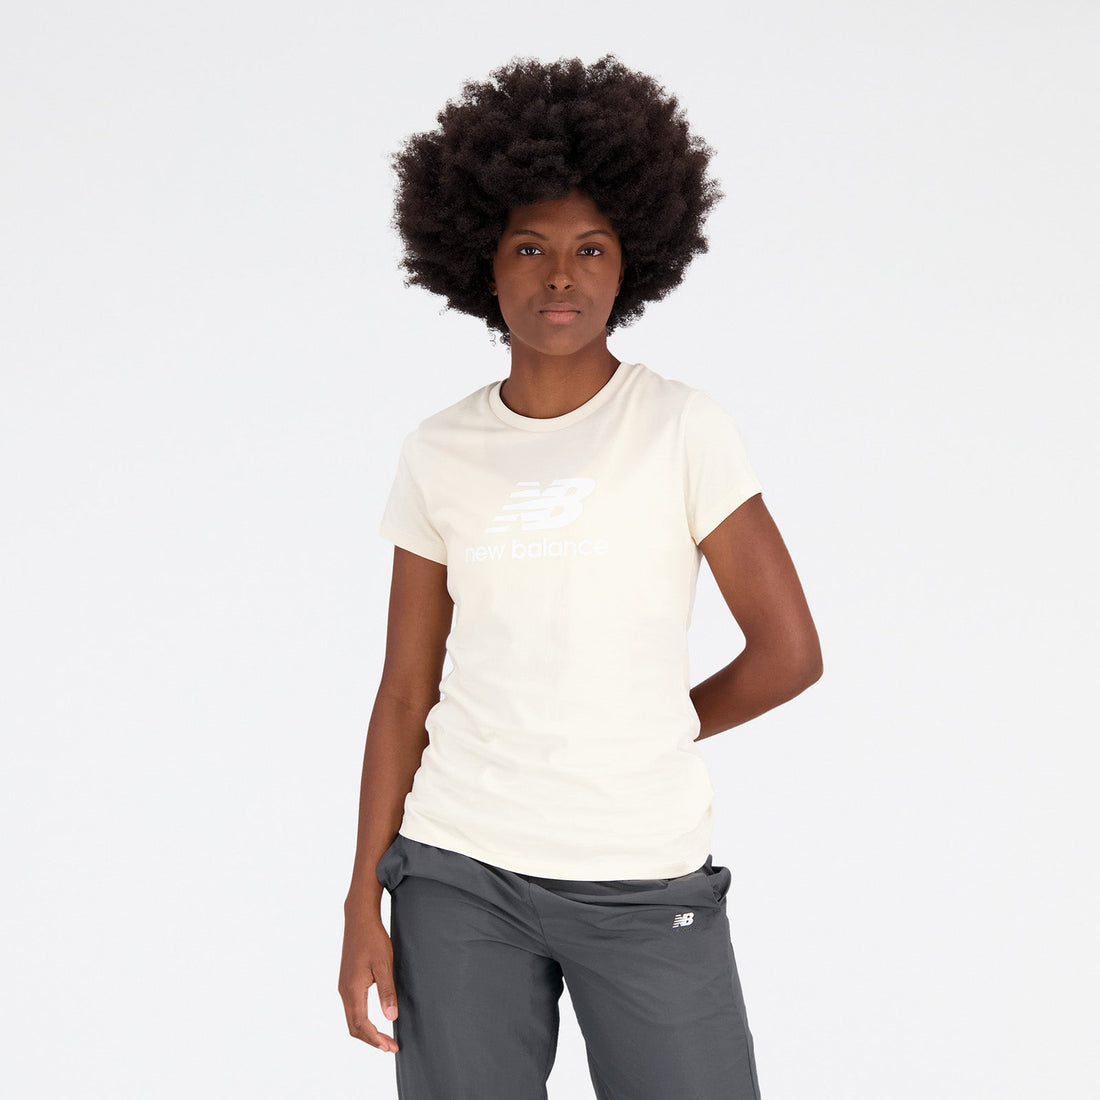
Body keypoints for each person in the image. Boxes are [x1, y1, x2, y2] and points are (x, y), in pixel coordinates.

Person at [339, 54, 822, 1100]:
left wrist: (655, 723)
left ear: (630, 261)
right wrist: (359, 902)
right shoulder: (438, 451)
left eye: (589, 247)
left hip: (641, 872)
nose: (559, 274)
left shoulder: (680, 427)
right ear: (482, 262)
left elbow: (788, 653)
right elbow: (404, 691)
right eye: (530, 246)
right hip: (458, 870)